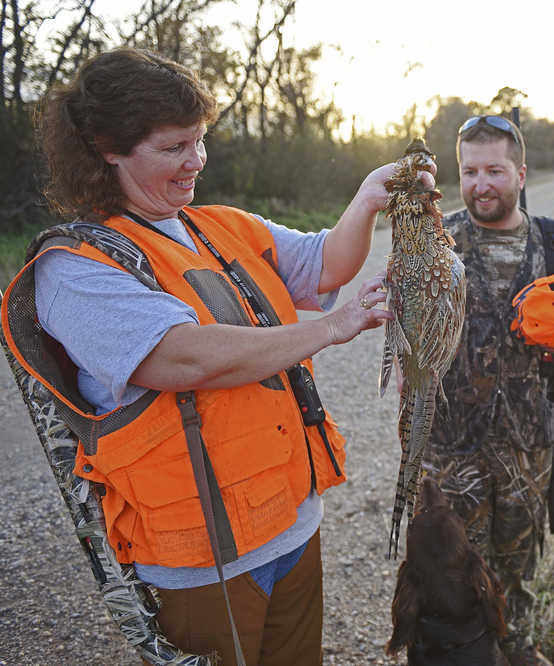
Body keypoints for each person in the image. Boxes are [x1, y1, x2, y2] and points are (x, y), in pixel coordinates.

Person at [7, 47, 429, 665]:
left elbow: (326, 264)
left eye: (199, 141)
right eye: (173, 147)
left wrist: (367, 199)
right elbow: (182, 358)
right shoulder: (74, 268)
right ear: (106, 148)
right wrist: (333, 328)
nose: (195, 162)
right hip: (202, 556)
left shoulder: (218, 224)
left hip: (290, 518)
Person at [419, 115, 554, 666]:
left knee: (518, 557)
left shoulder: (550, 240)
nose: (481, 184)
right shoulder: (434, 240)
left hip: (528, 438)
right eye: (469, 171)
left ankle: (517, 644)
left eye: (494, 170)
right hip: (450, 442)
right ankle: (467, 653)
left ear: (521, 173)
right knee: (454, 564)